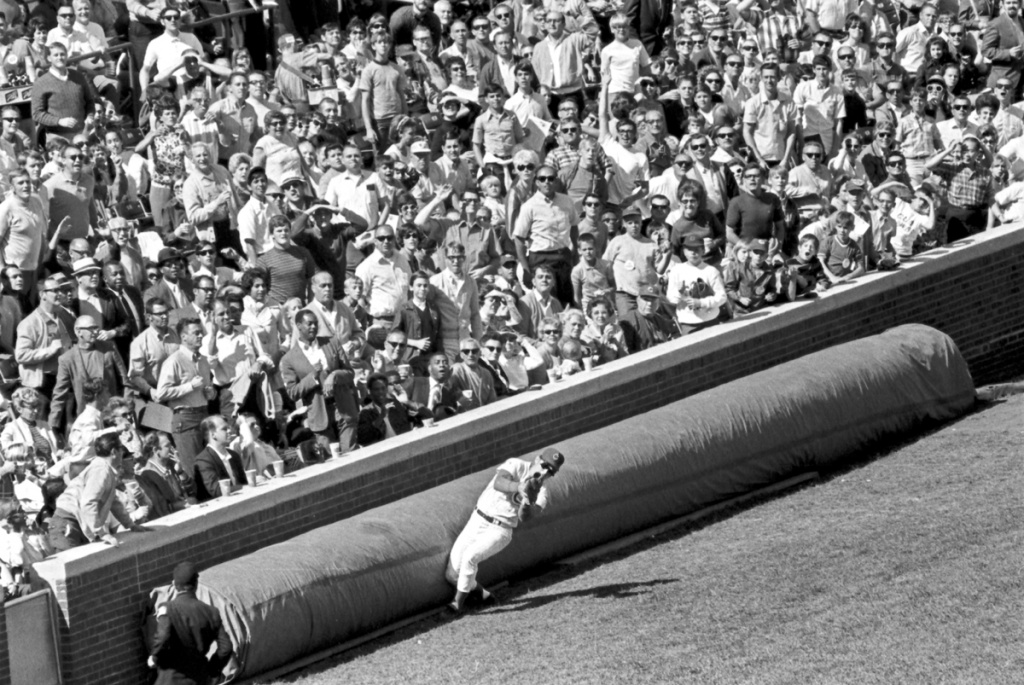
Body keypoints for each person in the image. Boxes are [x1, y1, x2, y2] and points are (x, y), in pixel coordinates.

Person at [445, 446, 565, 612]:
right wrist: (519, 487)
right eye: (545, 466)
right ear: (537, 459)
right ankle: (484, 596)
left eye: (551, 471)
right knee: (452, 575)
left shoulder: (542, 492)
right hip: (478, 518)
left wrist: (526, 501)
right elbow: (498, 482)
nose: (545, 472)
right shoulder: (516, 465)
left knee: (469, 557)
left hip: (500, 529)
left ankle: (456, 605)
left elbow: (526, 517)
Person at [49, 433, 151, 551]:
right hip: (67, 523)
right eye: (120, 450)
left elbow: (112, 501)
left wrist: (130, 525)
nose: (122, 454)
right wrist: (101, 533)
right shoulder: (101, 470)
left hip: (75, 522)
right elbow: (88, 502)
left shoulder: (105, 468)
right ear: (114, 452)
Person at [280, 310, 359, 454]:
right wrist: (313, 377)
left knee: (352, 454)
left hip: (343, 407)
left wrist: (334, 375)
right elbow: (292, 392)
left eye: (316, 324)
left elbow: (349, 372)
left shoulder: (332, 342)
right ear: (299, 326)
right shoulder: (288, 359)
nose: (313, 327)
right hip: (319, 413)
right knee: (329, 460)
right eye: (309, 324)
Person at [148, 561, 234, 685]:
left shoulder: (167, 609)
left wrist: (154, 657)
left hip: (170, 680)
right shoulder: (211, 612)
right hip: (199, 679)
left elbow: (163, 636)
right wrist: (212, 670)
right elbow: (226, 647)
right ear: (196, 584)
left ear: (174, 584)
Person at [154, 318, 217, 478]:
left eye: (201, 333)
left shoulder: (203, 361)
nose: (201, 336)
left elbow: (206, 389)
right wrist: (189, 386)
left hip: (204, 415)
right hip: (185, 419)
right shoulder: (174, 361)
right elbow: (161, 393)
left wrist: (211, 393)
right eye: (196, 333)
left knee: (210, 466)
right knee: (193, 470)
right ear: (183, 337)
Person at [14, 275, 74, 395]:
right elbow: (21, 355)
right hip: (43, 384)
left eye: (60, 290)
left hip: (66, 379)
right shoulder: (29, 323)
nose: (61, 294)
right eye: (55, 291)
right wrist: (50, 350)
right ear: (42, 295)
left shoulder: (64, 315)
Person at [193, 414, 247, 501]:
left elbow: (244, 481)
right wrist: (244, 487)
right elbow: (217, 490)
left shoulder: (234, 455)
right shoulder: (203, 460)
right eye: (224, 429)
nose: (230, 431)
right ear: (213, 434)